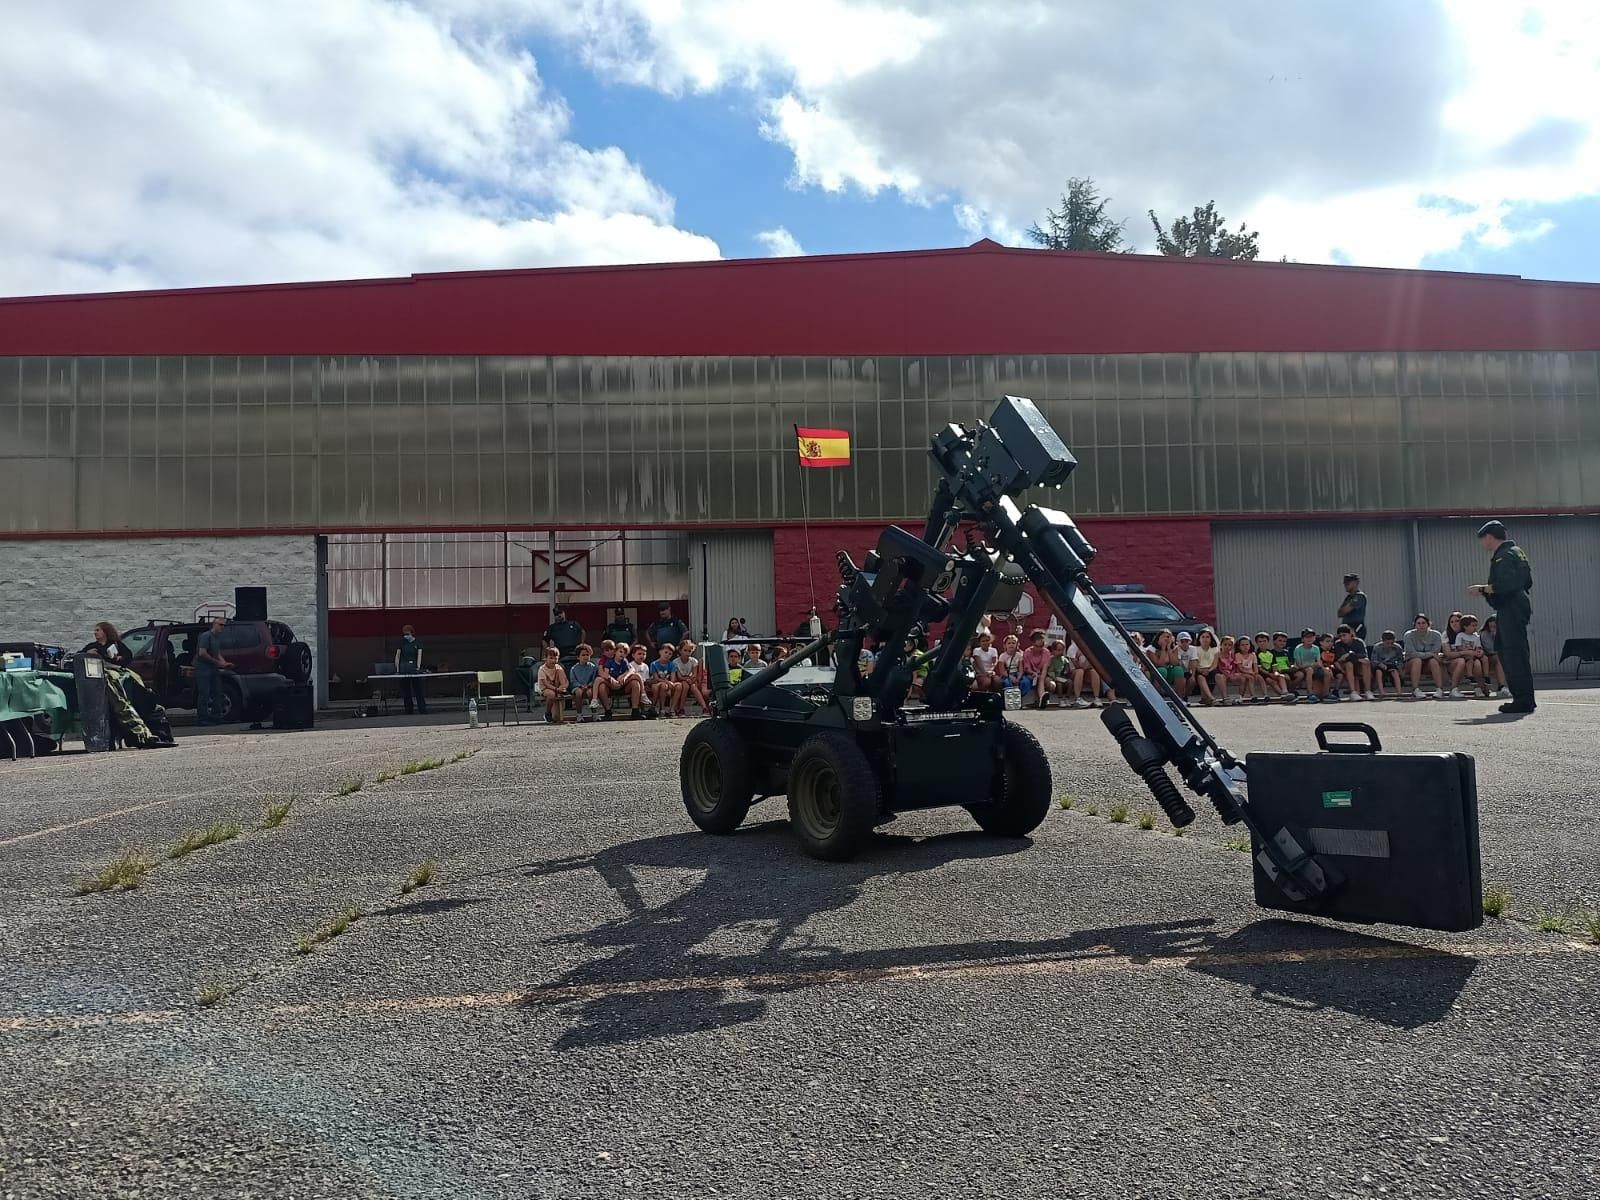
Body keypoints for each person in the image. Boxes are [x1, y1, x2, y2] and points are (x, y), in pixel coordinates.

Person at [1468, 519, 1535, 714]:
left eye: (1483, 539)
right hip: (1515, 605)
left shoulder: (1503, 556)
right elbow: (1526, 581)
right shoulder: (1515, 552)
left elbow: (1510, 583)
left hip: (1511, 607)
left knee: (1513, 654)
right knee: (1509, 651)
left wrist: (1483, 588)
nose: (1482, 544)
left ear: (1489, 537)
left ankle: (1523, 700)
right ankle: (1524, 698)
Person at [194, 617, 232, 725]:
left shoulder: (217, 637)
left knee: (217, 692)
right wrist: (217, 662)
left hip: (213, 669)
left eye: (224, 625)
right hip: (203, 669)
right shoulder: (206, 636)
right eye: (220, 625)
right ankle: (202, 718)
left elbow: (217, 653)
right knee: (204, 694)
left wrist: (224, 663)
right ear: (214, 624)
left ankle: (217, 716)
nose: (222, 627)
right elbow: (202, 653)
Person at [1402, 613, 1446, 698]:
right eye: (1418, 623)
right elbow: (1412, 653)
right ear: (1414, 625)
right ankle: (1415, 689)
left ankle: (1439, 689)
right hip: (1411, 663)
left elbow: (1436, 651)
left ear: (1428, 624)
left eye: (1423, 623)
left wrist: (1431, 655)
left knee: (1433, 661)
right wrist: (1430, 654)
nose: (1421, 625)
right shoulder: (1408, 635)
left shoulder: (1436, 635)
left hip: (1428, 663)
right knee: (1417, 660)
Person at [1451, 614, 1491, 698]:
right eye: (1473, 626)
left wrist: (1479, 652)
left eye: (1476, 625)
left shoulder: (1476, 636)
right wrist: (1468, 651)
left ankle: (1486, 677)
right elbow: (1458, 647)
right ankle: (1470, 676)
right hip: (1465, 655)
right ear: (1465, 626)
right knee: (1471, 659)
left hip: (1474, 653)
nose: (1475, 627)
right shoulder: (1460, 636)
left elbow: (1478, 647)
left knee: (1485, 658)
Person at [596, 642, 639, 719]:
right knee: (601, 685)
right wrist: (611, 679)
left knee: (635, 682)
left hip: (623, 684)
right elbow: (602, 673)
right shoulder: (605, 660)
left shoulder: (624, 660)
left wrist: (624, 676)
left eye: (611, 649)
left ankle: (635, 710)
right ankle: (608, 711)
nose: (610, 652)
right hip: (610, 685)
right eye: (607, 650)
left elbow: (631, 669)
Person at [394, 623, 426, 716]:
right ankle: (408, 710)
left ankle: (422, 709)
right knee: (406, 690)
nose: (406, 636)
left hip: (414, 668)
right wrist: (397, 668)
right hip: (404, 668)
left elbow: (419, 655)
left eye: (407, 634)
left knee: (418, 690)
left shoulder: (418, 642)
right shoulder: (402, 642)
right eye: (404, 634)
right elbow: (397, 655)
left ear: (412, 633)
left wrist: (418, 667)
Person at [1333, 623, 1371, 700]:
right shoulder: (1338, 644)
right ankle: (1353, 692)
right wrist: (1353, 656)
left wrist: (1350, 655)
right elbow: (1342, 658)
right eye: (1340, 636)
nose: (1342, 638)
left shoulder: (1359, 642)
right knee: (1349, 664)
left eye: (1344, 635)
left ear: (1351, 634)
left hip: (1358, 665)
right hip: (1344, 667)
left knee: (1366, 662)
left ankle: (1368, 691)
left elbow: (1363, 656)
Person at [1290, 628, 1326, 702]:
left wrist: (1317, 665)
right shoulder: (1298, 649)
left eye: (1311, 636)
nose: (1309, 639)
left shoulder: (1316, 648)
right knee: (1309, 670)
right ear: (1302, 639)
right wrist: (1312, 665)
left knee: (1327, 671)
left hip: (1313, 668)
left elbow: (1319, 663)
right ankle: (1309, 693)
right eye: (1307, 637)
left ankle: (1326, 693)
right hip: (1301, 669)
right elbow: (1299, 665)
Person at [1190, 628, 1224, 705]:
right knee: (1200, 677)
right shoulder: (1195, 649)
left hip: (1211, 669)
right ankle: (1211, 698)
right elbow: (1195, 663)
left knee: (1219, 676)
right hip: (1199, 670)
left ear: (1211, 639)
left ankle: (1225, 697)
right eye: (1203, 637)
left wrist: (1209, 670)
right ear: (1199, 639)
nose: (1205, 639)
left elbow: (1215, 664)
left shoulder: (1215, 649)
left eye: (1207, 637)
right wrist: (1201, 670)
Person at [567, 644, 600, 721]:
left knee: (590, 693)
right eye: (583, 655)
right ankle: (579, 714)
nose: (586, 657)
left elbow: (594, 678)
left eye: (587, 655)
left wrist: (589, 685)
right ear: (578, 657)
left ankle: (594, 714)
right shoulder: (574, 668)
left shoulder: (593, 667)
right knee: (578, 693)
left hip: (589, 686)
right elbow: (573, 680)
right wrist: (580, 685)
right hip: (578, 687)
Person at [676, 640, 709, 716]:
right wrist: (686, 679)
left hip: (690, 681)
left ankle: (705, 708)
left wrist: (691, 680)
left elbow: (694, 674)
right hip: (681, 681)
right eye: (685, 650)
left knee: (693, 687)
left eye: (689, 651)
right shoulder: (676, 662)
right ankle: (681, 708)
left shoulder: (693, 661)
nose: (687, 653)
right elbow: (679, 676)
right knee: (685, 685)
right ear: (680, 650)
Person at [1369, 630, 1405, 699]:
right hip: (1380, 664)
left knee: (1394, 671)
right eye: (1387, 643)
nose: (1389, 645)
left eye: (1391, 643)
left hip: (1392, 664)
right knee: (1378, 672)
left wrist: (1399, 667)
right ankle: (1381, 692)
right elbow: (1373, 660)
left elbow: (1400, 659)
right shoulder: (1377, 647)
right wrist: (1380, 664)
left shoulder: (1397, 647)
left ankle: (1399, 691)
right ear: (1382, 641)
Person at [1021, 630, 1052, 709]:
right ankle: (1041, 697)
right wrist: (1033, 673)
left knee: (1047, 682)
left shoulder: (1046, 652)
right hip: (1030, 674)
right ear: (1033, 642)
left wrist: (1041, 676)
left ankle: (1042, 697)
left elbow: (1045, 668)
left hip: (1043, 675)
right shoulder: (1027, 652)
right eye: (1039, 639)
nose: (1042, 642)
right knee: (1030, 680)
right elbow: (1027, 667)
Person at [1151, 629, 1186, 695]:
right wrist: (1163, 648)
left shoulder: (1174, 649)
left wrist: (1169, 648)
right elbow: (1160, 664)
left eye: (1169, 637)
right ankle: (1156, 695)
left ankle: (1180, 696)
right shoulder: (1151, 649)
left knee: (1178, 669)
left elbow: (1175, 663)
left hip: (1169, 673)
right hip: (1155, 674)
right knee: (1162, 670)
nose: (1167, 639)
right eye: (1165, 637)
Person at [536, 649, 567, 725]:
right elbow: (546, 684)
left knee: (560, 671)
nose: (553, 660)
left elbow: (565, 680)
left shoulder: (558, 667)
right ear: (545, 658)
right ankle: (548, 713)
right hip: (545, 688)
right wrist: (556, 689)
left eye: (555, 658)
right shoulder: (542, 669)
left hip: (557, 687)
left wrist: (563, 687)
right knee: (551, 694)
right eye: (551, 658)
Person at [648, 644, 681, 714]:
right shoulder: (654, 664)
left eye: (670, 654)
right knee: (663, 685)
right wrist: (667, 683)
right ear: (660, 652)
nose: (667, 655)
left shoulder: (672, 664)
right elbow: (656, 678)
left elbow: (673, 678)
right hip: (658, 683)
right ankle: (662, 708)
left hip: (668, 683)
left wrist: (670, 684)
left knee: (679, 685)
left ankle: (672, 708)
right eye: (665, 652)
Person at [1480, 616, 1508, 697]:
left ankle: (1504, 686)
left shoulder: (1504, 633)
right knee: (1498, 659)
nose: (1492, 629)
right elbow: (1491, 649)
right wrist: (1495, 637)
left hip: (1501, 655)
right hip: (1488, 657)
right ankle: (1502, 685)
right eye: (1490, 627)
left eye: (1495, 627)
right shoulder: (1484, 634)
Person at [1233, 635, 1265, 703]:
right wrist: (1251, 673)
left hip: (1251, 672)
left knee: (1260, 677)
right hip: (1241, 673)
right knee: (1250, 678)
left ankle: (1265, 695)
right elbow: (1240, 668)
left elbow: (1255, 665)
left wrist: (1256, 673)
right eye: (1242, 645)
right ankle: (1252, 695)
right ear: (1239, 646)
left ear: (1250, 645)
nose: (1245, 646)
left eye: (1247, 644)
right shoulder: (1238, 655)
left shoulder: (1252, 654)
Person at [627, 645, 656, 717]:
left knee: (654, 688)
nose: (642, 656)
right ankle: (639, 709)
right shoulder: (630, 665)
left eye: (644, 654)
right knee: (638, 689)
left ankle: (650, 709)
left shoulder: (645, 666)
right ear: (633, 655)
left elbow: (646, 678)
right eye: (639, 654)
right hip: (634, 686)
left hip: (644, 684)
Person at [1337, 573, 1368, 640]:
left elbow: (1344, 611)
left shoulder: (1359, 596)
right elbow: (1339, 613)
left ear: (1356, 583)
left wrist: (1344, 610)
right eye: (1345, 583)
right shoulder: (1348, 597)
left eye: (1348, 583)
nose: (1345, 585)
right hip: (1346, 627)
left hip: (1355, 627)